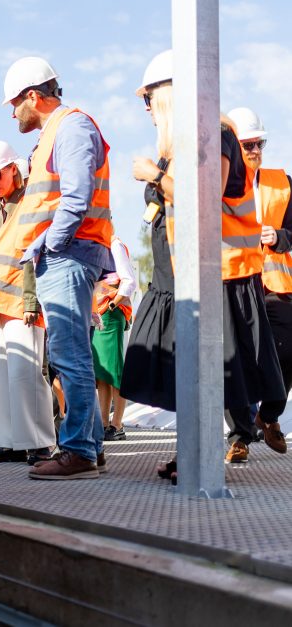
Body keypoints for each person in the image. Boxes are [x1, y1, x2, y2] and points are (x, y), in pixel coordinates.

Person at [124, 50, 285, 474]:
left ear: (170, 92)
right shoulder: (187, 139)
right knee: (189, 373)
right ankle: (195, 452)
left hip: (221, 277)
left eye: (149, 98)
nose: (146, 109)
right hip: (186, 278)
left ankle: (203, 455)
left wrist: (153, 176)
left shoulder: (215, 132)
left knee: (213, 375)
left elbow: (203, 197)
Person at [0, 57, 114, 480]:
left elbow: (76, 196)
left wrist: (52, 243)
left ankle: (80, 451)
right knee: (72, 355)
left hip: (69, 254)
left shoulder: (71, 127)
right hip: (67, 253)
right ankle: (91, 448)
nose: (13, 113)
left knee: (70, 356)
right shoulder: (59, 132)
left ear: (33, 96)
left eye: (14, 104)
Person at [0, 140, 54, 464]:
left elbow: (34, 254)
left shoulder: (30, 203)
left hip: (21, 301)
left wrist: (32, 300)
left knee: (25, 373)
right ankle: (7, 441)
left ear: (13, 169)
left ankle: (39, 443)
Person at [228, 107, 291, 455]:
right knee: (235, 358)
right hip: (236, 280)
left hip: (275, 285)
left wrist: (279, 236)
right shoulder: (219, 182)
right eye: (248, 144)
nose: (255, 150)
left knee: (287, 351)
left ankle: (268, 416)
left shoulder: (281, 183)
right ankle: (240, 437)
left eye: (259, 143)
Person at [92, 235, 136, 441]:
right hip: (97, 313)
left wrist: (112, 304)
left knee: (114, 370)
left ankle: (117, 424)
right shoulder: (96, 244)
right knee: (102, 372)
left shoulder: (114, 245)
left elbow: (128, 281)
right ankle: (103, 422)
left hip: (110, 313)